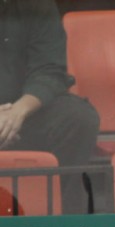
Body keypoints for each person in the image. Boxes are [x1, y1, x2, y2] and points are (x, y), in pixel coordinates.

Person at [0, 0, 100, 213]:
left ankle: (65, 223)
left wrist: (17, 113)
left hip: (25, 117)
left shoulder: (36, 5)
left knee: (79, 119)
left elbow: (49, 70)